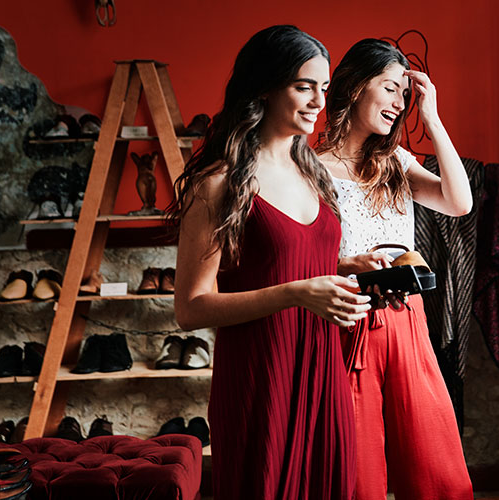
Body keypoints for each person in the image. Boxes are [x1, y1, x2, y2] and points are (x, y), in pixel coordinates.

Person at [168, 25, 371, 500]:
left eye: (323, 88)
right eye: (304, 86)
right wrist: (296, 293)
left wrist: (345, 268)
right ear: (264, 86)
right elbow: (191, 307)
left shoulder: (315, 173)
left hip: (324, 371)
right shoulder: (218, 183)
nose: (319, 100)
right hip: (262, 380)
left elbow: (286, 260)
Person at [316, 38, 474, 500]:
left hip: (407, 320)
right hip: (347, 322)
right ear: (355, 86)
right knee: (358, 471)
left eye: (404, 95)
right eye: (389, 88)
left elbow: (458, 202)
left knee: (435, 463)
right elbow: (303, 255)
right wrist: (346, 265)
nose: (398, 104)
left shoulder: (396, 163)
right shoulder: (310, 168)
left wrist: (434, 120)